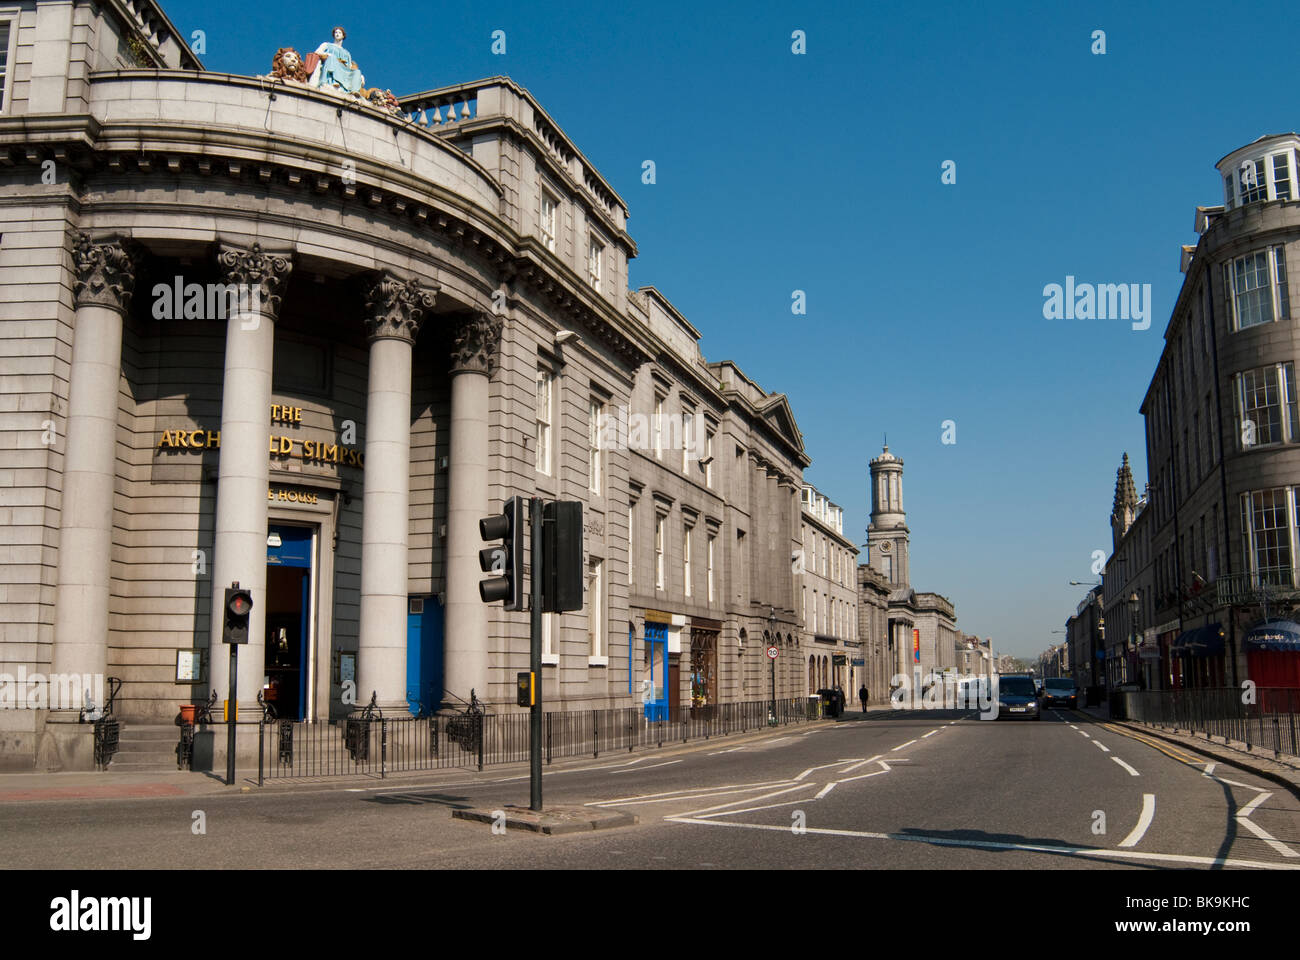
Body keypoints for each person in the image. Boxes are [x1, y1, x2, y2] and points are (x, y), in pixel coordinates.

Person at [311, 26, 365, 95]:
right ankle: (332, 82)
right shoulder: (327, 45)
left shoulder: (346, 53)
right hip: (331, 64)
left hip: (344, 70)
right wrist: (328, 54)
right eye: (336, 32)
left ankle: (354, 92)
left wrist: (361, 76)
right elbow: (317, 52)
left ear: (343, 36)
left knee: (357, 72)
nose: (337, 34)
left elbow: (350, 66)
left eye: (339, 32)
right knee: (332, 58)